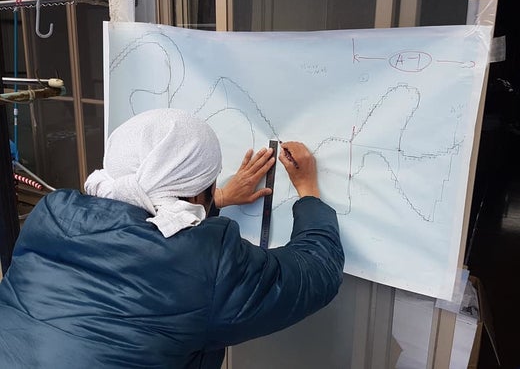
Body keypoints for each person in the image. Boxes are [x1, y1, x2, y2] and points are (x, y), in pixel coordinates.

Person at [0, 108, 344, 368]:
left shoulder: (51, 215)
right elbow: (315, 272)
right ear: (195, 195)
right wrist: (309, 192)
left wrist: (216, 199)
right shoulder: (205, 264)